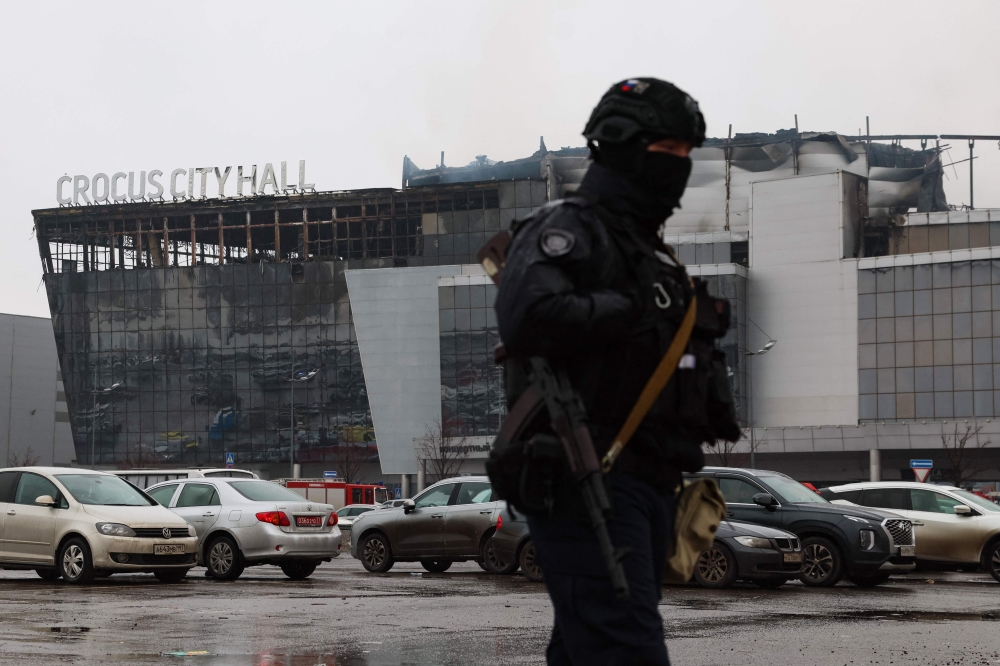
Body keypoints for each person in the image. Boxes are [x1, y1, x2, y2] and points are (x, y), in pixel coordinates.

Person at [493, 78, 708, 665]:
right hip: (585, 478)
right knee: (624, 646)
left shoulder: (649, 253)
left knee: (587, 645)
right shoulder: (569, 228)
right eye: (668, 153)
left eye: (688, 155)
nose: (680, 169)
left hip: (649, 482)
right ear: (618, 147)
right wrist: (632, 308)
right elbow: (529, 315)